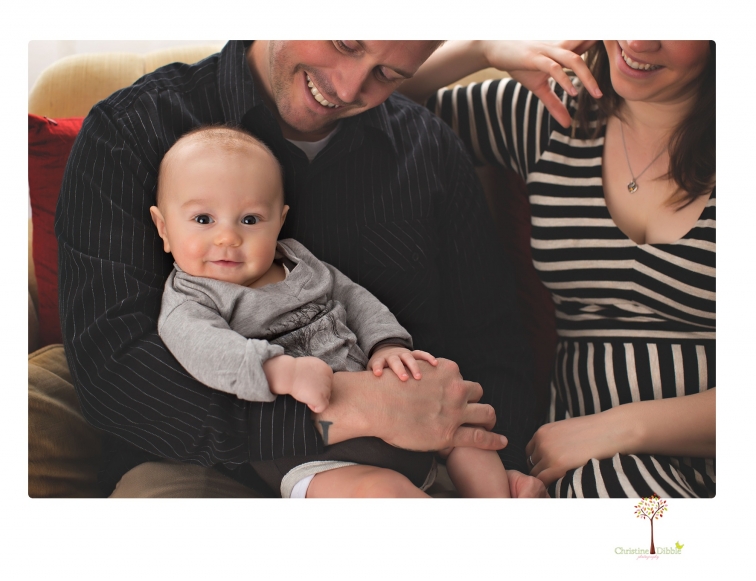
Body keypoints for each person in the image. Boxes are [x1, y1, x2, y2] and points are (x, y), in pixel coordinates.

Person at [56, 40, 545, 498]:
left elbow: (491, 341)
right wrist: (343, 409)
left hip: (422, 439)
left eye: (388, 73)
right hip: (206, 464)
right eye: (345, 43)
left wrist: (504, 458)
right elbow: (114, 375)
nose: (348, 89)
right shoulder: (131, 129)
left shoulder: (428, 150)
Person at [399, 40, 715, 498]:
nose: (640, 39)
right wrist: (483, 46)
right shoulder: (548, 111)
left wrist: (620, 429)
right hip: (587, 468)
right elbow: (374, 97)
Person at [150, 125, 511, 497]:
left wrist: (385, 345)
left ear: (279, 220)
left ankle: (498, 497)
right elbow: (205, 350)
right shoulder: (191, 300)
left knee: (466, 431)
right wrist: (280, 371)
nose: (227, 237)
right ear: (163, 228)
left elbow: (354, 298)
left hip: (401, 414)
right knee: (381, 491)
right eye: (203, 220)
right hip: (314, 452)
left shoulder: (299, 261)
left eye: (250, 219)